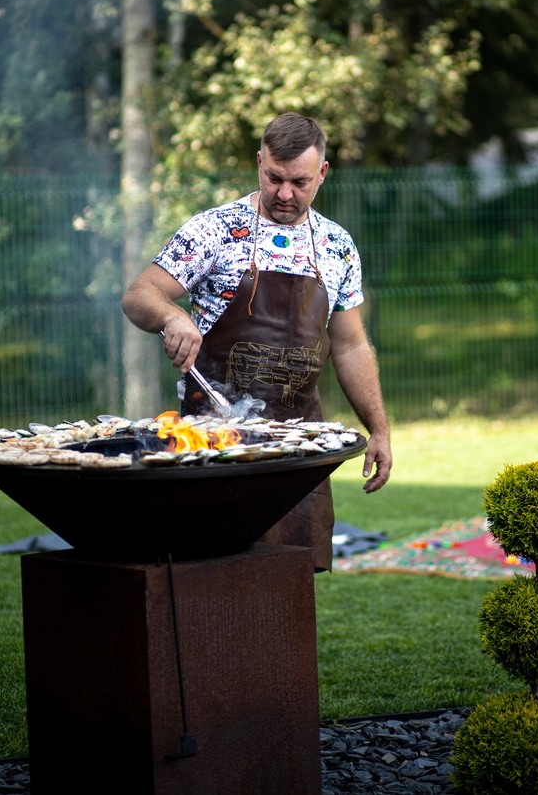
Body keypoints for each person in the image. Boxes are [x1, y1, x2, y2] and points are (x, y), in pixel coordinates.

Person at [122, 113, 392, 570]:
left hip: (298, 452)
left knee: (287, 588)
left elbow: (350, 346)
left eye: (299, 182)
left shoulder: (338, 246)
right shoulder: (215, 229)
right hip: (217, 443)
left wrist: (379, 429)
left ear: (322, 174)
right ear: (258, 164)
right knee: (212, 576)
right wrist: (172, 315)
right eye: (274, 178)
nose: (285, 194)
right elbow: (138, 295)